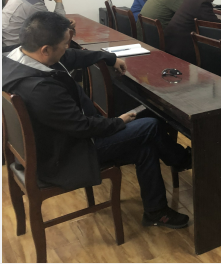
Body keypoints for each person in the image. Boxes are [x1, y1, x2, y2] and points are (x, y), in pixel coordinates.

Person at [2, 12, 191, 228]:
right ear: (45, 50)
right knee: (151, 125)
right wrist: (119, 122)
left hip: (52, 143)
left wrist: (110, 58)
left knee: (145, 147)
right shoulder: (39, 89)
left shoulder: (18, 58)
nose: (67, 48)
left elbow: (72, 56)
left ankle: (156, 212)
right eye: (64, 44)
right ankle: (182, 160)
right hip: (64, 155)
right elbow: (82, 127)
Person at [3, 0, 73, 48]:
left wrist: (63, 20)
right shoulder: (34, 5)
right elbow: (58, 27)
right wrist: (58, 1)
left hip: (7, 42)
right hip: (15, 48)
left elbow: (51, 19)